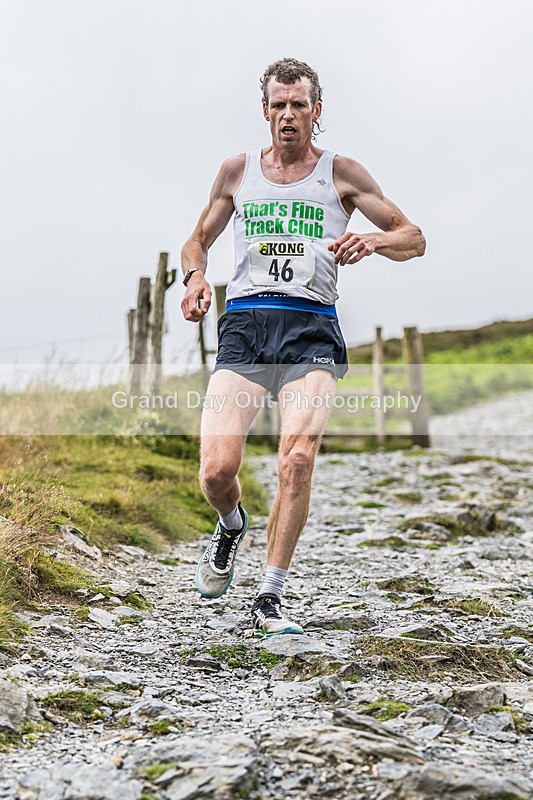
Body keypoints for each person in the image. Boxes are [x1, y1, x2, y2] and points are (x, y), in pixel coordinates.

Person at [181, 57, 425, 638]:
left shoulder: (341, 172)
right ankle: (231, 524)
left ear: (317, 112)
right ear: (264, 111)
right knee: (216, 471)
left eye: (299, 105)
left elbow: (413, 237)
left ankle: (269, 593)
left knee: (297, 457)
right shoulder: (238, 172)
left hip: (311, 327)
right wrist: (193, 279)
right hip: (245, 325)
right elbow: (196, 241)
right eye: (278, 105)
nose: (288, 115)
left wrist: (373, 239)